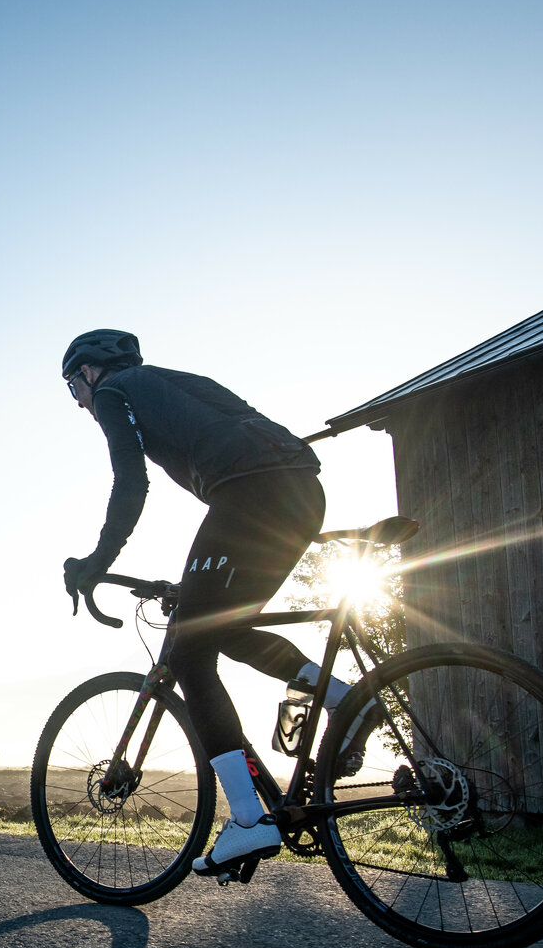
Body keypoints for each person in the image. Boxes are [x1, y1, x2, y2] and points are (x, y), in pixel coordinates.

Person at [58, 328, 349, 875]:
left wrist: (96, 561)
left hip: (247, 493)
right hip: (301, 492)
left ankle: (247, 821)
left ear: (90, 373)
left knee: (190, 654)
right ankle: (343, 698)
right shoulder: (179, 383)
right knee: (222, 627)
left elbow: (130, 483)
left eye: (74, 387)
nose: (79, 402)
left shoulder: (116, 393)